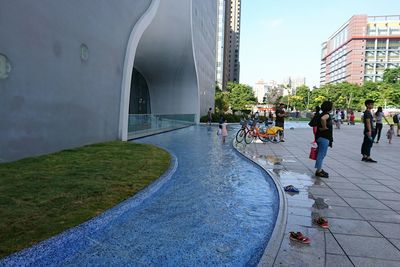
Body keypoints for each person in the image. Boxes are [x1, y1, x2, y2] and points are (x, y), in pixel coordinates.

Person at [315, 101, 333, 178]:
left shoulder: (321, 114)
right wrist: (325, 127)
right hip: (324, 137)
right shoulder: (326, 115)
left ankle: (319, 169)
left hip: (320, 137)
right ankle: (319, 171)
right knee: (321, 154)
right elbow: (323, 119)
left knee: (321, 154)